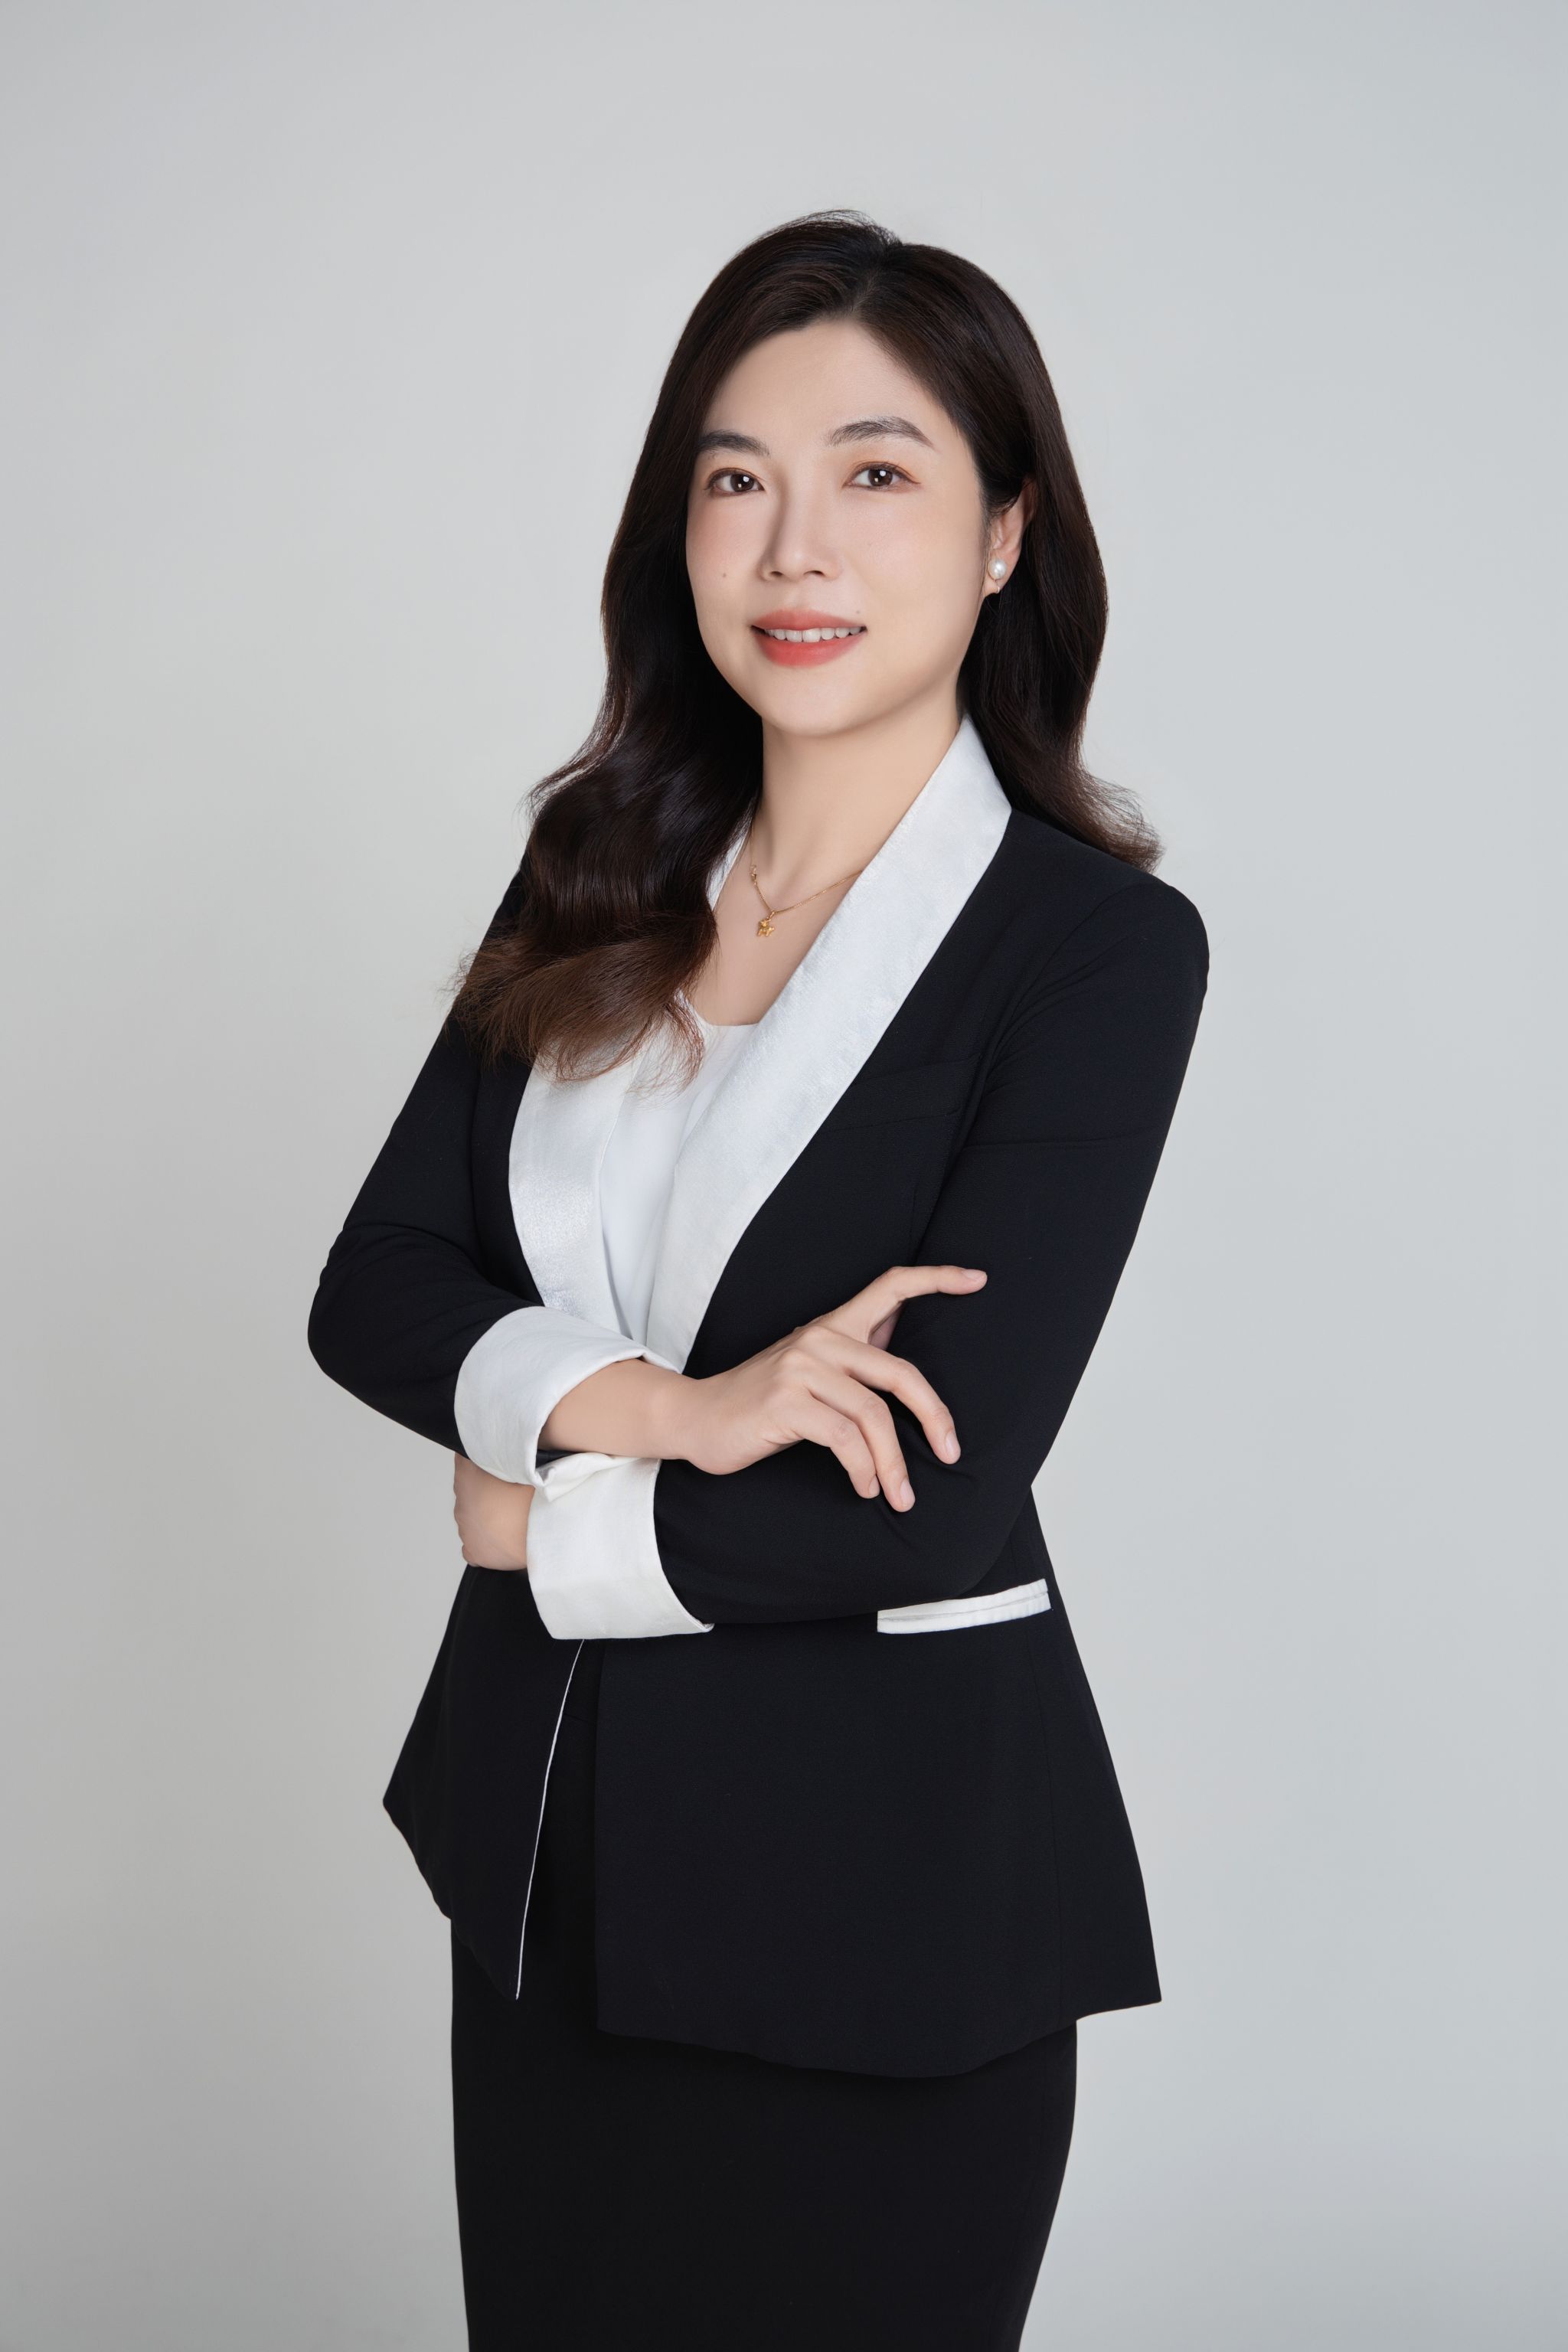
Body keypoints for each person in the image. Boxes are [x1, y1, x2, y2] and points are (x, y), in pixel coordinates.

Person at [308, 208, 1209, 2352]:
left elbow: (928, 1502)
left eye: (876, 472)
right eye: (737, 477)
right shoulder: (596, 882)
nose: (795, 545)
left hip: (882, 1920)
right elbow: (373, 1286)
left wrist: (534, 1519)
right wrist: (669, 1412)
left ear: (1006, 533)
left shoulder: (1088, 951)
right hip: (546, 1877)